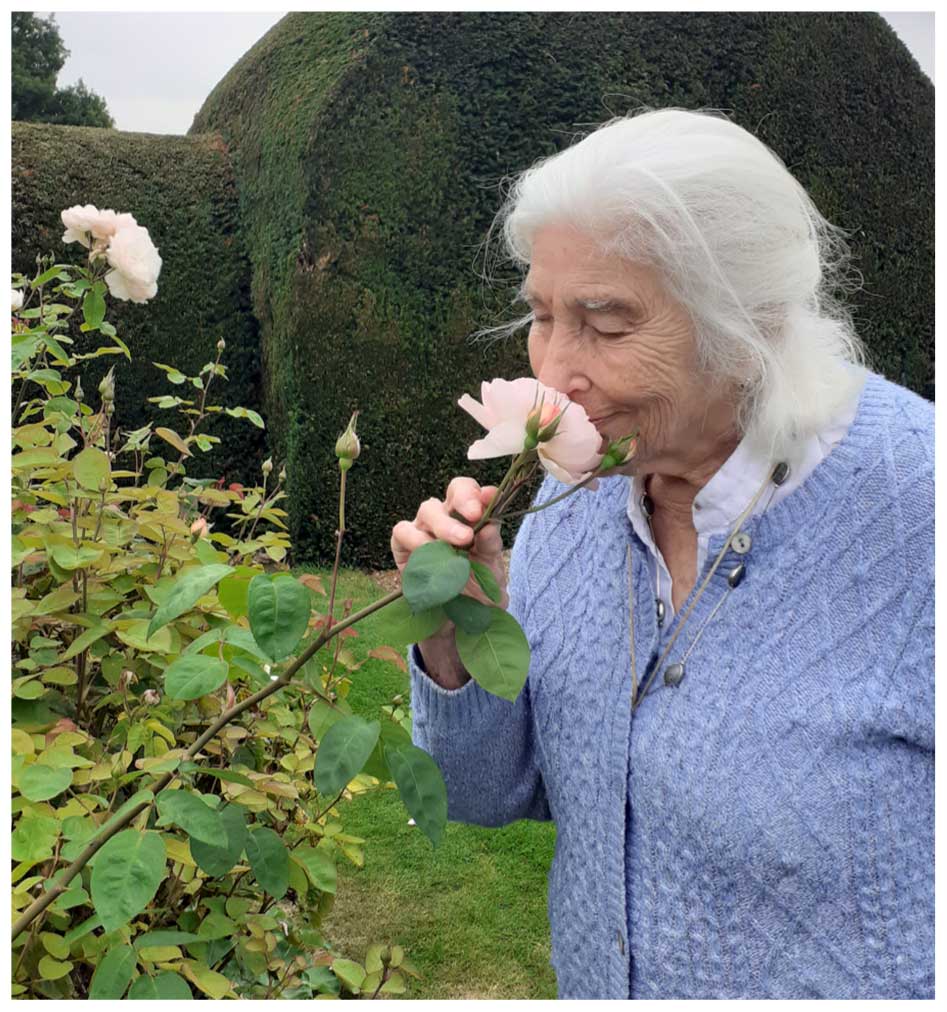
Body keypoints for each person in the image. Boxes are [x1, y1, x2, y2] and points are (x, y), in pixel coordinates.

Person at [389, 108, 933, 1000]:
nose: (553, 372)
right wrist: (461, 636)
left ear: (745, 324)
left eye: (603, 324)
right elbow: (484, 793)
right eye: (540, 316)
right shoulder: (578, 493)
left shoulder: (918, 506)